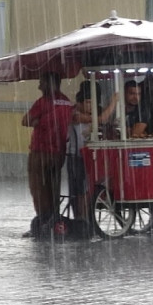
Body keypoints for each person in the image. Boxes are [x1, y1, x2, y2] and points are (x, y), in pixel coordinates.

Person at [20, 72, 74, 236]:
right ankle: (53, 222)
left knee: (38, 189)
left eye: (41, 83)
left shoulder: (43, 102)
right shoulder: (66, 101)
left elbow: (25, 120)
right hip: (59, 153)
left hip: (40, 152)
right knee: (53, 188)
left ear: (50, 84)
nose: (39, 86)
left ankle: (43, 222)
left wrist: (39, 122)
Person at [65, 82, 94, 221]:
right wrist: (114, 102)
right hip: (75, 156)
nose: (90, 106)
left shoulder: (90, 115)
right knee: (79, 190)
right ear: (80, 103)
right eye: (88, 103)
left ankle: (85, 218)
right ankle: (81, 218)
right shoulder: (75, 114)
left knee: (85, 189)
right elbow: (99, 119)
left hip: (87, 156)